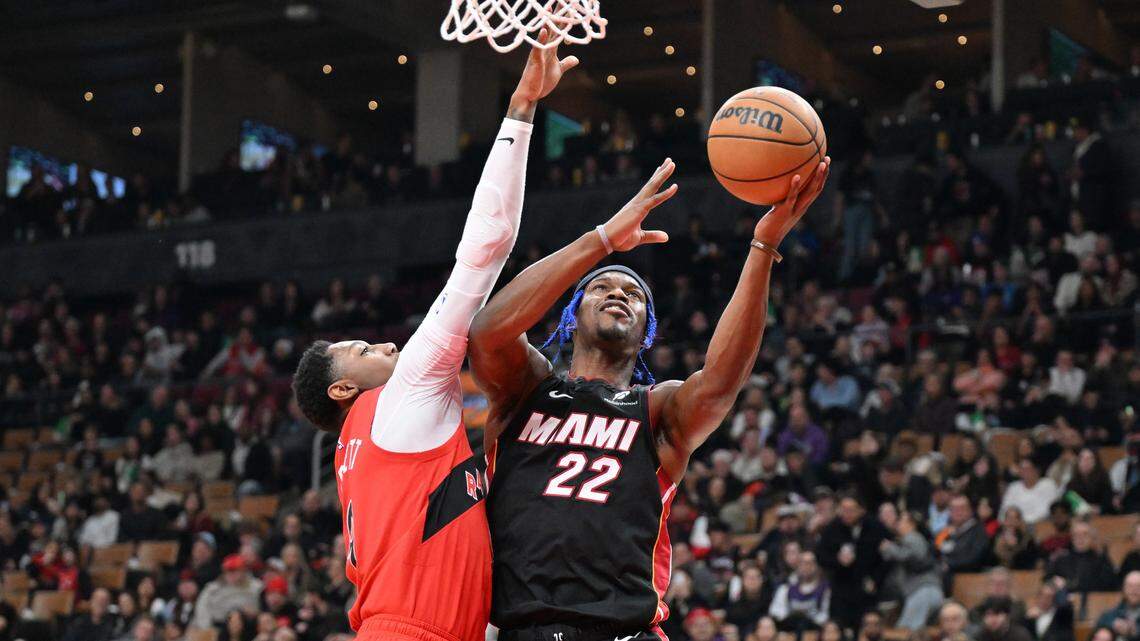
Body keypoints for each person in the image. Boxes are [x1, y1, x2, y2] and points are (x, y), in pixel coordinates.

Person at [467, 122, 829, 639]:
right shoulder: (527, 389)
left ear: (646, 335)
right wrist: (601, 243)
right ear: (571, 317)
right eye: (603, 287)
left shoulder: (655, 411)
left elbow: (722, 381)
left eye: (635, 295)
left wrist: (763, 246)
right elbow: (486, 333)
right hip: (522, 627)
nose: (619, 294)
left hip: (625, 630)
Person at [288, 33, 576, 641]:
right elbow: (485, 248)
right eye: (363, 351)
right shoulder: (398, 397)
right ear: (343, 389)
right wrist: (521, 111)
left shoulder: (362, 452)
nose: (387, 346)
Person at [881, 511, 943, 630]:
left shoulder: (913, 537)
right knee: (921, 633)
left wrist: (889, 548)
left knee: (906, 631)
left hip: (923, 591)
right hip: (927, 591)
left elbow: (913, 556)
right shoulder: (910, 540)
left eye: (901, 521)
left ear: (912, 524)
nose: (897, 524)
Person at [769, 550, 832, 634]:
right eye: (803, 563)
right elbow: (776, 611)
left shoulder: (825, 589)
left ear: (816, 566)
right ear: (798, 565)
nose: (807, 567)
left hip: (815, 631)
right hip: (791, 631)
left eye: (810, 563)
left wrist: (808, 619)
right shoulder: (786, 588)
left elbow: (825, 615)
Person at [1045, 521, 1117, 593]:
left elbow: (1109, 585)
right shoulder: (1061, 559)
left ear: (1092, 537)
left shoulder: (1100, 559)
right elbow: (1047, 581)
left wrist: (1069, 585)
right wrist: (1054, 583)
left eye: (1084, 534)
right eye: (1076, 534)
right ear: (1072, 537)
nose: (1080, 538)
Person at [1096, 571, 1140, 640]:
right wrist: (1113, 625)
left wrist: (1135, 632)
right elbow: (1095, 631)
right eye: (1130, 586)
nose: (1134, 590)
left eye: (1138, 586)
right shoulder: (1112, 614)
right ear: (1124, 588)